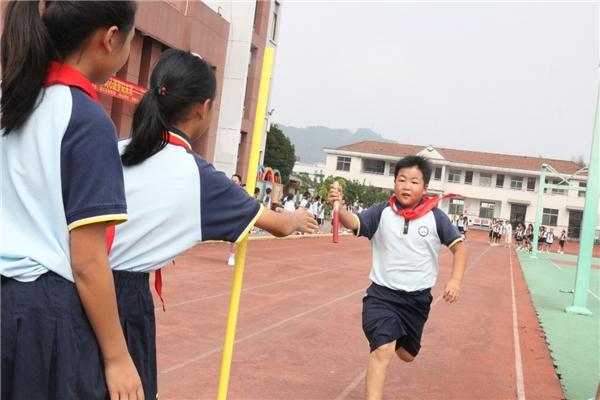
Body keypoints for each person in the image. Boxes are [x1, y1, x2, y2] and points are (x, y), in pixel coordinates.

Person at [110, 49, 319, 397]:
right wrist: (296, 218)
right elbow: (278, 225)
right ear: (202, 108)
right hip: (122, 299)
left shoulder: (114, 148)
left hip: (69, 282)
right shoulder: (198, 176)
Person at [0, 2, 143, 399]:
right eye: (132, 38)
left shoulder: (9, 100)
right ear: (111, 38)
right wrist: (117, 357)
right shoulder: (84, 118)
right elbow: (87, 261)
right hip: (40, 316)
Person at [327, 155, 467, 400]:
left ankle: (400, 335)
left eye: (414, 182)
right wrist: (341, 207)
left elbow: (459, 247)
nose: (406, 186)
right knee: (383, 348)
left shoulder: (436, 217)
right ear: (394, 183)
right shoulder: (382, 212)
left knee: (407, 355)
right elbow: (355, 223)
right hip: (382, 296)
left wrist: (455, 280)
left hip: (417, 301)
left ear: (425, 188)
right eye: (401, 180)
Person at [228, 174, 243, 266]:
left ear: (240, 182)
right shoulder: (227, 191)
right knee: (233, 239)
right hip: (230, 217)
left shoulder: (242, 192)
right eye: (231, 180)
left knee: (235, 239)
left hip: (240, 217)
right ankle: (232, 256)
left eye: (235, 181)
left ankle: (232, 257)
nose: (232, 182)